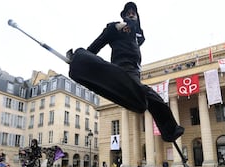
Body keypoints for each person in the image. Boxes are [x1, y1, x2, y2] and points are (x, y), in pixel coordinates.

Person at [68, 2, 184, 143]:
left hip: (134, 72)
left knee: (150, 98)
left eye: (133, 12)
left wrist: (134, 28)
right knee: (149, 95)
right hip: (122, 69)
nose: (131, 14)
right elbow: (96, 45)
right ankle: (78, 59)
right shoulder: (116, 28)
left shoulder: (137, 36)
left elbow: (137, 31)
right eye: (128, 12)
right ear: (123, 16)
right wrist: (81, 58)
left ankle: (169, 130)